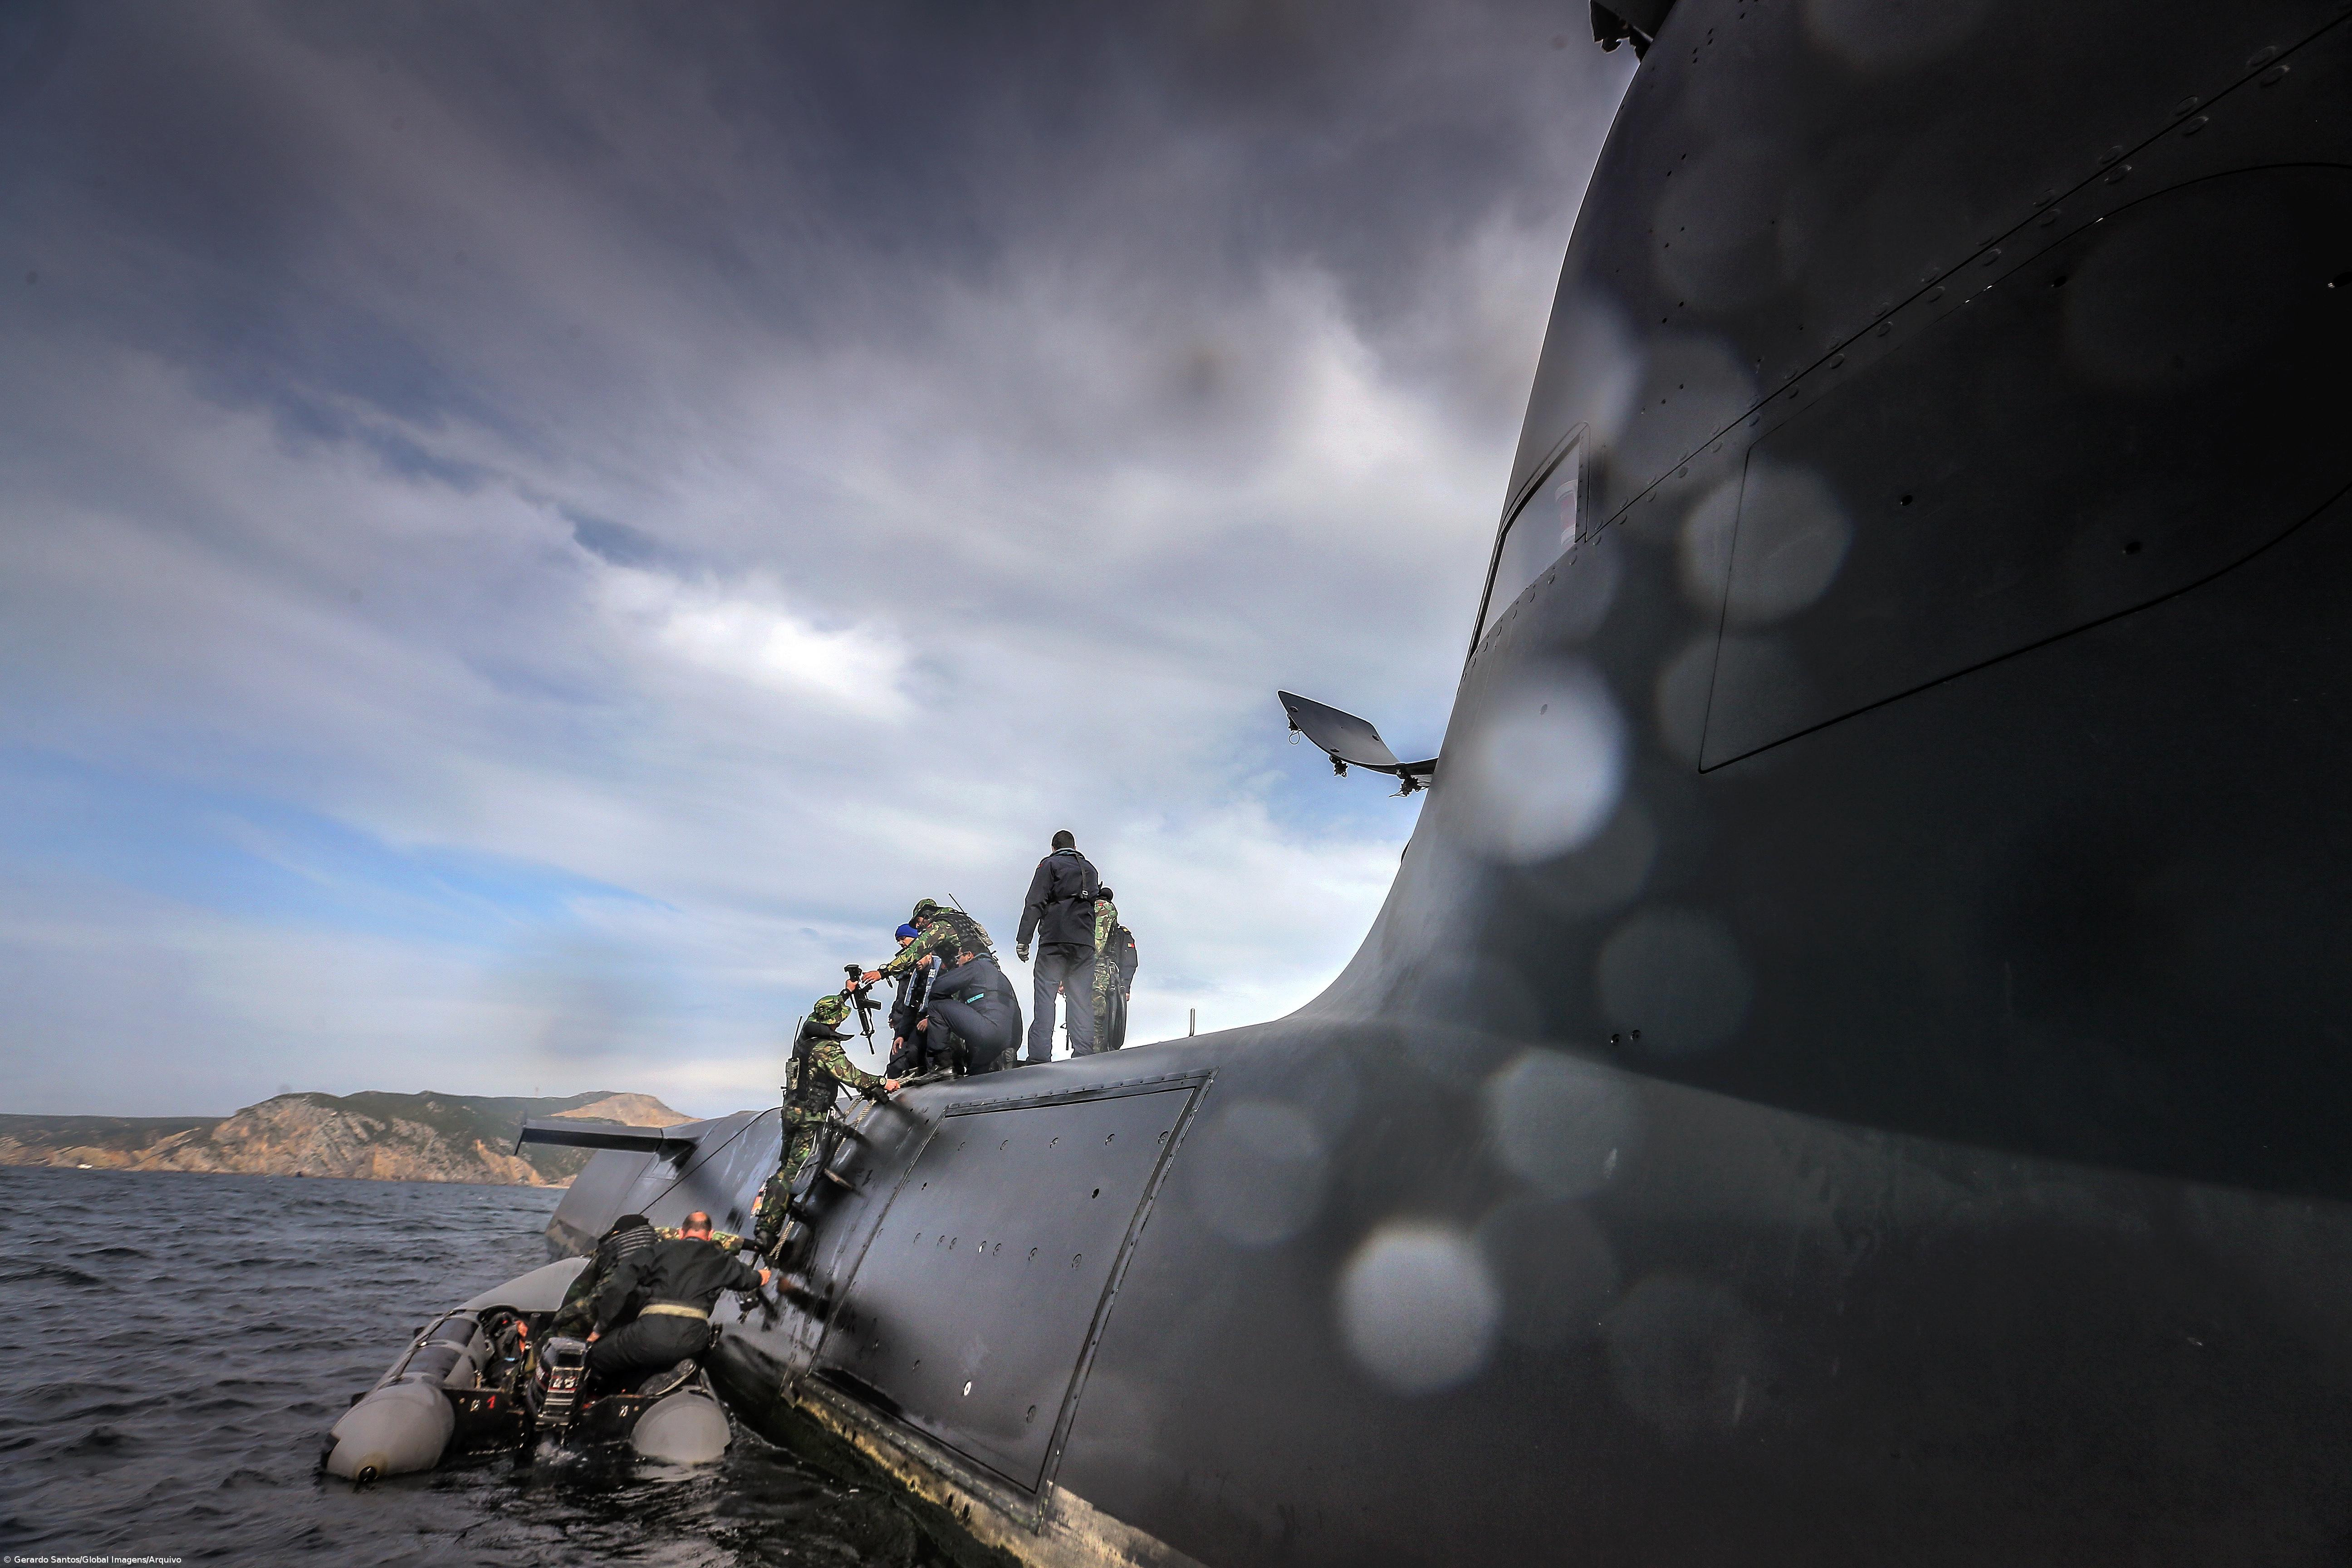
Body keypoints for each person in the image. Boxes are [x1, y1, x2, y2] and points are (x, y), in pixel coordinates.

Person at [748, 993, 897, 1259]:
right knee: (793, 1172)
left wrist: (847, 992)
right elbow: (851, 1076)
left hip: (791, 1112)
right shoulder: (826, 1049)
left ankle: (771, 1215)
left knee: (786, 1166)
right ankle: (767, 1230)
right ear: (832, 1021)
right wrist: (882, 1083)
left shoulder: (805, 1039)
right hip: (809, 1116)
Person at [585, 1211, 768, 1388]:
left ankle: (618, 1389)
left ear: (681, 1233)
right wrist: (763, 1275)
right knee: (664, 1357)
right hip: (693, 1341)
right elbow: (751, 1280)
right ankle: (664, 1380)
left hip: (649, 1333)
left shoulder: (656, 1251)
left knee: (593, 1358)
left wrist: (600, 1328)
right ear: (711, 1235)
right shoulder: (724, 1260)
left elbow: (618, 1287)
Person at [1016, 830, 1100, 1061]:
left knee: (1046, 997)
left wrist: (1024, 939)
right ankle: (1084, 1054)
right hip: (1084, 944)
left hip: (1055, 941)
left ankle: (1040, 1056)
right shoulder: (1090, 869)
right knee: (1081, 999)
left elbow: (1035, 901)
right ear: (1075, 847)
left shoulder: (1050, 865)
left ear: (1054, 848)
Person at [917, 939, 1024, 1075]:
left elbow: (938, 987)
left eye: (958, 957)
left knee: (936, 1006)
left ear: (969, 955)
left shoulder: (976, 966)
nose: (957, 963)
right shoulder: (1000, 976)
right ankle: (1003, 1058)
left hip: (991, 1032)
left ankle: (942, 1067)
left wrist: (942, 1015)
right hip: (1013, 1039)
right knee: (975, 1074)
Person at [1089, 888, 1137, 1052]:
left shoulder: (1089, 926)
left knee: (1094, 1020)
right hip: (1109, 980)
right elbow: (1130, 962)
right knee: (1102, 1020)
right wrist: (1126, 987)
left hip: (1096, 978)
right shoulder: (1122, 934)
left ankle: (1090, 1054)